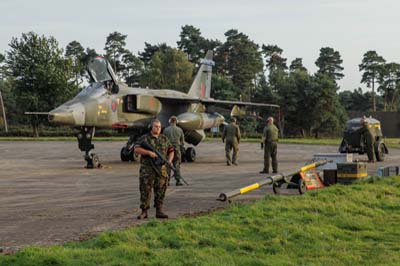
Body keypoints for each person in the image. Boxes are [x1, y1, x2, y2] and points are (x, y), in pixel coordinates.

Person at [134, 119, 174, 219]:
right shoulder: (145, 138)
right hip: (147, 170)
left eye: (159, 127)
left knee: (161, 190)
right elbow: (136, 149)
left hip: (161, 170)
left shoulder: (164, 139)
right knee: (145, 190)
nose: (158, 128)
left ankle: (159, 210)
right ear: (151, 127)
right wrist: (148, 153)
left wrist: (169, 160)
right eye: (156, 126)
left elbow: (171, 150)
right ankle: (144, 211)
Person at [163, 115, 185, 186]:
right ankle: (178, 181)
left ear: (170, 121)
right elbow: (182, 141)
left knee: (168, 165)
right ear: (176, 121)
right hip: (177, 149)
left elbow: (163, 140)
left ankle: (167, 181)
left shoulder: (166, 130)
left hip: (168, 150)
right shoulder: (180, 130)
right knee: (177, 165)